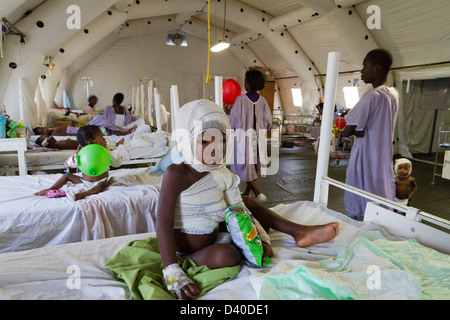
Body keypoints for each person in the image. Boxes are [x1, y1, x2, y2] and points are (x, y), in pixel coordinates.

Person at [157, 99, 339, 300]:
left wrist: (260, 239)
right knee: (228, 255)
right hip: (186, 248)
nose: (215, 149)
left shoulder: (221, 173)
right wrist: (172, 272)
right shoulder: (177, 173)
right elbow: (163, 224)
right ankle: (189, 260)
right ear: (187, 141)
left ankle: (299, 232)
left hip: (215, 229)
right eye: (204, 141)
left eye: (222, 140)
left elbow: (239, 210)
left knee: (247, 202)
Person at [342, 48, 399, 221]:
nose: (362, 71)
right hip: (382, 154)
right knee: (380, 187)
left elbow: (347, 130)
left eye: (365, 66)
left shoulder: (370, 96)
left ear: (377, 69)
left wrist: (355, 130)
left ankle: (359, 219)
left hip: (366, 154)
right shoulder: (393, 94)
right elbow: (378, 123)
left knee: (360, 189)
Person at [33, 125, 116, 201]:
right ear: (90, 142)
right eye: (101, 137)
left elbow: (116, 163)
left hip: (100, 181)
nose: (105, 139)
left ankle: (84, 194)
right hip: (84, 181)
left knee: (104, 184)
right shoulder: (80, 153)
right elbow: (66, 165)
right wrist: (71, 162)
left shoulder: (105, 152)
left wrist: (115, 159)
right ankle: (52, 188)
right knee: (67, 175)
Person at [228, 70, 272, 202]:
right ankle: (247, 193)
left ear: (247, 83)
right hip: (258, 139)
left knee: (243, 165)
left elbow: (233, 121)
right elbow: (268, 122)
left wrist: (227, 114)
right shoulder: (263, 101)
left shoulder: (240, 100)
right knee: (253, 165)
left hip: (243, 139)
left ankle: (258, 193)